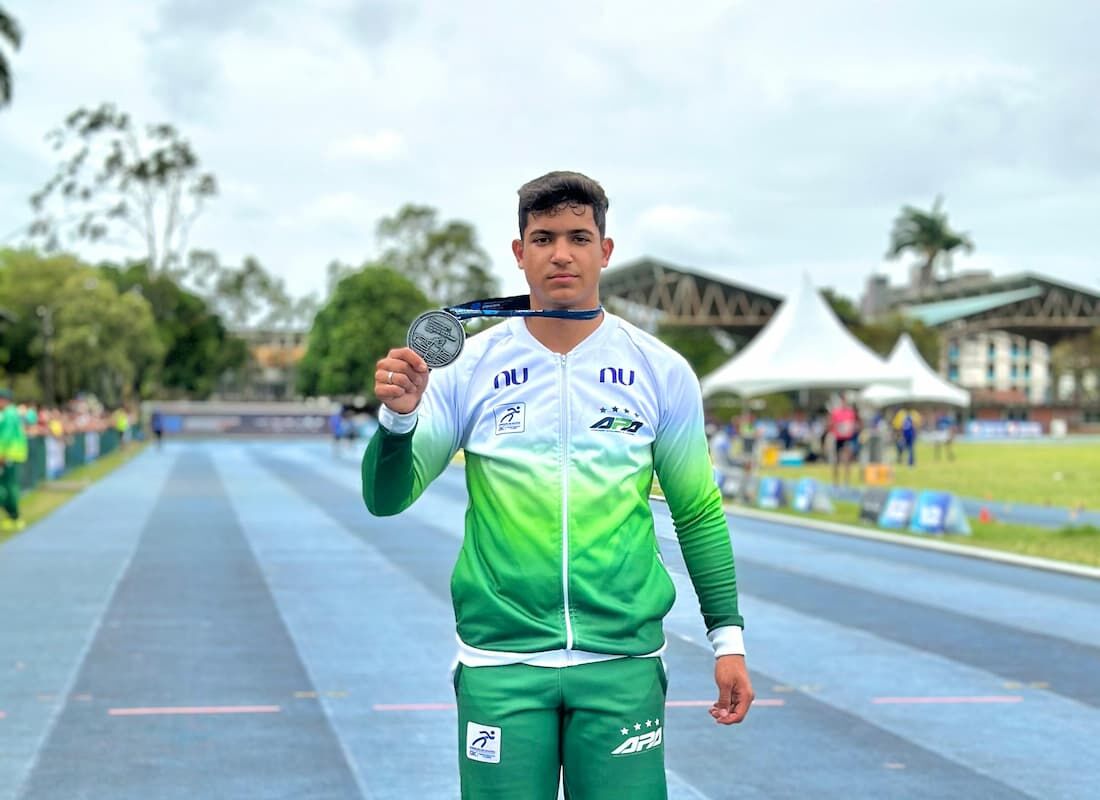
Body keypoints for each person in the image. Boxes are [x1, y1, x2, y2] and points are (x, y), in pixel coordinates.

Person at [361, 171, 753, 799]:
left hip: (620, 663)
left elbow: (698, 512)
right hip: (502, 664)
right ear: (520, 253)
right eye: (543, 238)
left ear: (606, 250)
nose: (562, 253)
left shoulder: (662, 370)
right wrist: (399, 419)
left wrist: (726, 640)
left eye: (578, 236)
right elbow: (386, 498)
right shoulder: (468, 367)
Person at [0, 388, 29, 532]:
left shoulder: (9, 414)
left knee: (9, 486)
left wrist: (1, 455)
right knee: (8, 485)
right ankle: (13, 516)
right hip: (12, 454)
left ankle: (15, 517)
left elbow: (5, 436)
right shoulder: (11, 413)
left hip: (10, 455)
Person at [827, 393, 859, 486]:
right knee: (836, 461)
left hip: (847, 439)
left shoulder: (850, 413)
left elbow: (854, 424)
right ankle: (835, 482)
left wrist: (851, 428)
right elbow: (830, 424)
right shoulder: (835, 413)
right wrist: (836, 427)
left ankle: (846, 482)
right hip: (838, 438)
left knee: (846, 460)